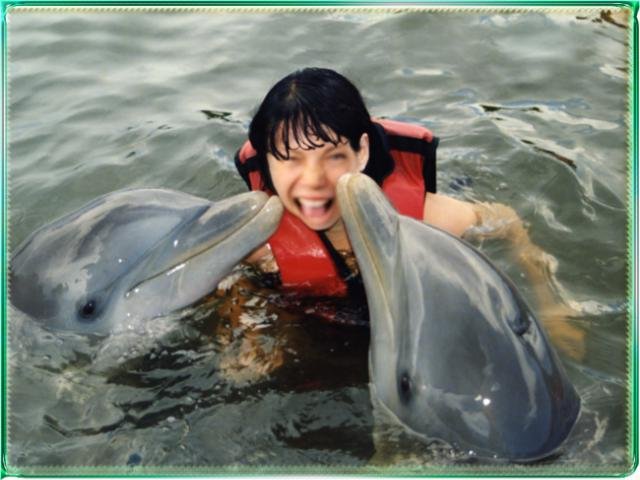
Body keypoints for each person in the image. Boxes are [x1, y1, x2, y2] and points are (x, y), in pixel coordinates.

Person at [234, 67, 585, 360]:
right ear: (267, 163)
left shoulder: (426, 220)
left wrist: (552, 307)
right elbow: (232, 286)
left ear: (361, 152)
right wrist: (245, 332)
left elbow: (506, 221)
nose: (313, 181)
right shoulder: (258, 246)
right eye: (290, 159)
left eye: (334, 156)